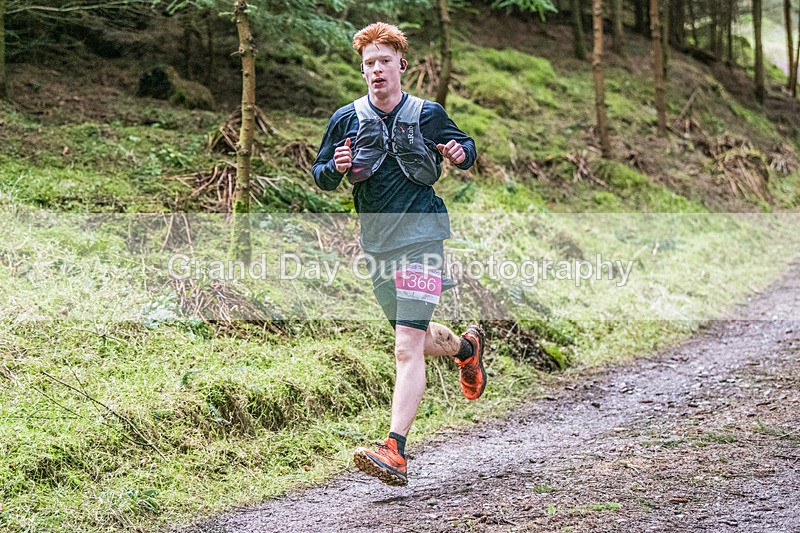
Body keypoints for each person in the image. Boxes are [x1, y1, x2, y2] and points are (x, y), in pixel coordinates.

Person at [312, 22, 486, 487]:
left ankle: (395, 449)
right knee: (413, 333)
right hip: (378, 243)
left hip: (423, 238)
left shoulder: (427, 114)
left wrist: (457, 152)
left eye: (383, 62)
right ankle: (467, 349)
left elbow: (468, 149)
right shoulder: (346, 119)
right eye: (368, 64)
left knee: (406, 347)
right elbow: (322, 172)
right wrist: (336, 168)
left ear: (401, 65)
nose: (375, 71)